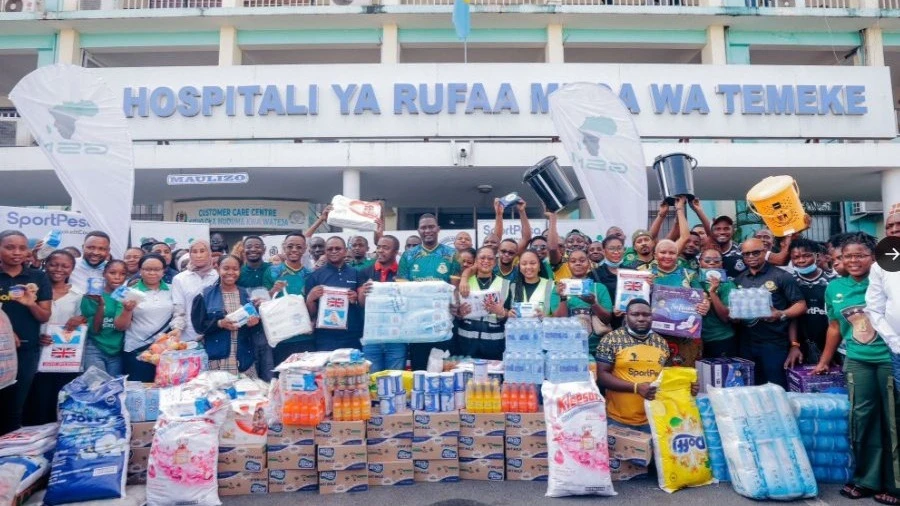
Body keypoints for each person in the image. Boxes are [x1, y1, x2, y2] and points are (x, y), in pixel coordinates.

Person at [814, 233, 899, 504]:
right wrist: (824, 360)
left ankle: (895, 483)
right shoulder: (834, 288)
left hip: (889, 357)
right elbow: (835, 327)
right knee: (862, 420)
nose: (853, 260)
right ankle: (867, 479)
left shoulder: (889, 279)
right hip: (857, 359)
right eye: (847, 255)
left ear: (874, 257)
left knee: (893, 421)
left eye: (860, 255)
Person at [596, 299, 699, 433]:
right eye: (635, 314)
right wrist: (636, 387)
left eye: (646, 315)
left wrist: (687, 387)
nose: (641, 319)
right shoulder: (611, 339)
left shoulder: (661, 343)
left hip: (655, 419)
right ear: (626, 316)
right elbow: (602, 376)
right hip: (619, 420)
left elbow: (666, 378)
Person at [733, 238, 806, 387]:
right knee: (752, 387)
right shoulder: (739, 280)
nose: (751, 257)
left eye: (755, 252)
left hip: (774, 343)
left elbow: (800, 305)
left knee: (777, 388)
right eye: (746, 254)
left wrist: (780, 313)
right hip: (746, 343)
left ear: (765, 252)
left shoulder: (781, 276)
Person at [0, 231, 52, 434]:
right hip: (2, 351)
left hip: (26, 350)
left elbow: (44, 316)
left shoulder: (38, 277)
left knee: (15, 407)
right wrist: (4, 333)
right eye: (9, 247)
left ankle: (9, 457)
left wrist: (31, 303)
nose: (16, 252)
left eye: (22, 248)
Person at [27, 250, 84, 425]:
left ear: (72, 269)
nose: (58, 269)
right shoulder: (32, 290)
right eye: (53, 264)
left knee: (60, 401)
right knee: (37, 402)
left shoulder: (78, 294)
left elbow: (82, 322)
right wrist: (36, 336)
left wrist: (81, 320)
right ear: (45, 265)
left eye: (65, 266)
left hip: (64, 357)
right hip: (36, 354)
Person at [398, 214, 460, 369]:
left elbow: (455, 288)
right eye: (423, 227)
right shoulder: (408, 256)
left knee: (444, 372)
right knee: (420, 371)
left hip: (443, 323)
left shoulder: (452, 254)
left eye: (431, 226)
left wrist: (455, 304)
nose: (427, 230)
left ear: (438, 229)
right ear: (418, 230)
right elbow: (402, 290)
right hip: (417, 325)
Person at [639, 239, 709, 367]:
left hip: (686, 337)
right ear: (655, 255)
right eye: (663, 252)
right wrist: (645, 287)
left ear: (677, 256)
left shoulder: (689, 274)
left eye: (671, 253)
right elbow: (635, 299)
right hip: (655, 334)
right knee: (657, 374)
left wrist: (705, 305)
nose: (667, 256)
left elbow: (703, 295)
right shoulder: (644, 273)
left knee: (685, 375)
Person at [192, 255, 258, 377]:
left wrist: (254, 323)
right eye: (226, 268)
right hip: (217, 357)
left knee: (245, 393)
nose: (230, 273)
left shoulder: (247, 295)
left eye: (235, 269)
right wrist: (219, 323)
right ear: (217, 269)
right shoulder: (205, 294)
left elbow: (256, 324)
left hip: (243, 356)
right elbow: (199, 326)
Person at [305, 237, 365, 352]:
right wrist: (310, 299)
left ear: (346, 251)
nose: (334, 251)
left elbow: (363, 305)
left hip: (352, 335)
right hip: (325, 338)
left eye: (338, 248)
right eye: (330, 249)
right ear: (325, 251)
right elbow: (310, 313)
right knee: (327, 370)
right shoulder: (315, 276)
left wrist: (356, 299)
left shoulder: (356, 273)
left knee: (353, 369)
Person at [123, 254, 175, 383]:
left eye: (157, 269)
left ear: (164, 271)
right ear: (140, 271)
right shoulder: (129, 292)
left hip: (166, 352)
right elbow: (121, 326)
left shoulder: (172, 289)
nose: (152, 273)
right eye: (147, 269)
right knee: (140, 392)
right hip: (138, 351)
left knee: (166, 390)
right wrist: (127, 310)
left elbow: (180, 314)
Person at [263, 232, 312, 369]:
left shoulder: (310, 274)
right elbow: (263, 302)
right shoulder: (272, 272)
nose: (294, 250)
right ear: (283, 247)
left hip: (305, 336)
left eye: (298, 247)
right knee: (282, 378)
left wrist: (312, 322)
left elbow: (315, 304)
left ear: (305, 248)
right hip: (281, 336)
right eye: (290, 246)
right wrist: (273, 290)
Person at [358, 235, 407, 372]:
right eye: (378, 247)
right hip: (372, 337)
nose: (380, 250)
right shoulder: (365, 272)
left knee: (395, 381)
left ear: (396, 252)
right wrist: (363, 292)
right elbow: (361, 304)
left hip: (397, 337)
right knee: (372, 381)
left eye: (385, 248)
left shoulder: (403, 273)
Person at [551, 249, 613, 352]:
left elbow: (607, 319)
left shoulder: (600, 288)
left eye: (582, 260)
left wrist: (593, 303)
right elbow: (560, 320)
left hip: (597, 348)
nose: (578, 263)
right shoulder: (559, 288)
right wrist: (563, 298)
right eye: (573, 261)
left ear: (589, 263)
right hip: (568, 348)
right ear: (568, 265)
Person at [80, 260, 134, 375]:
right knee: (97, 387)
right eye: (112, 273)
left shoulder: (127, 296)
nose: (117, 277)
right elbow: (95, 330)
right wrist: (101, 305)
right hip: (95, 347)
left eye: (122, 274)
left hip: (117, 350)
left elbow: (124, 325)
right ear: (104, 273)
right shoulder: (92, 295)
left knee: (113, 388)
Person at [455, 246, 510, 360]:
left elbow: (511, 314)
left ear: (495, 262)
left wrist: (501, 312)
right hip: (466, 344)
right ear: (475, 261)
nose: (486, 261)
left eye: (490, 259)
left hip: (494, 345)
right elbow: (455, 312)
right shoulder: (464, 282)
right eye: (482, 258)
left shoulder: (505, 284)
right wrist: (459, 313)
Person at [866, 206, 900, 381]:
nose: (894, 229)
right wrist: (895, 342)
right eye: (889, 226)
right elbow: (874, 309)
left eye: (899, 223)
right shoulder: (880, 266)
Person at [789, 238, 837, 364]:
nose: (801, 260)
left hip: (832, 343)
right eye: (796, 257)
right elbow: (791, 318)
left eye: (806, 256)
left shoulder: (833, 281)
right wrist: (794, 345)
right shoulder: (789, 282)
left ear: (816, 256)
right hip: (800, 346)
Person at [171, 240, 219, 343]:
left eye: (202, 251)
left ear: (209, 253)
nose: (198, 255)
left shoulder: (218, 276)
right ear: (190, 254)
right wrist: (177, 328)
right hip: (188, 337)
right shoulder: (180, 279)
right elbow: (179, 309)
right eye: (194, 252)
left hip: (214, 334)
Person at [697, 249, 737, 358]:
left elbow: (726, 317)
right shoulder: (693, 280)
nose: (712, 263)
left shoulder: (728, 285)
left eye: (716, 261)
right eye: (707, 260)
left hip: (720, 339)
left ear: (721, 264)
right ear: (699, 262)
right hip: (696, 340)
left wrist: (712, 292)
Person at [591, 235, 626, 330]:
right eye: (611, 248)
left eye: (619, 248)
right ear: (603, 251)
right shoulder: (594, 274)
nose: (616, 252)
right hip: (606, 324)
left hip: (629, 322)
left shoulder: (632, 272)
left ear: (624, 250)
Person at [505, 250, 554, 319]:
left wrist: (546, 317)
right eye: (524, 264)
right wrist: (508, 314)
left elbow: (559, 316)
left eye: (533, 263)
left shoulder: (551, 285)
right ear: (520, 267)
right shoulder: (512, 286)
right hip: (518, 328)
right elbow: (505, 310)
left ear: (539, 266)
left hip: (544, 328)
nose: (528, 267)